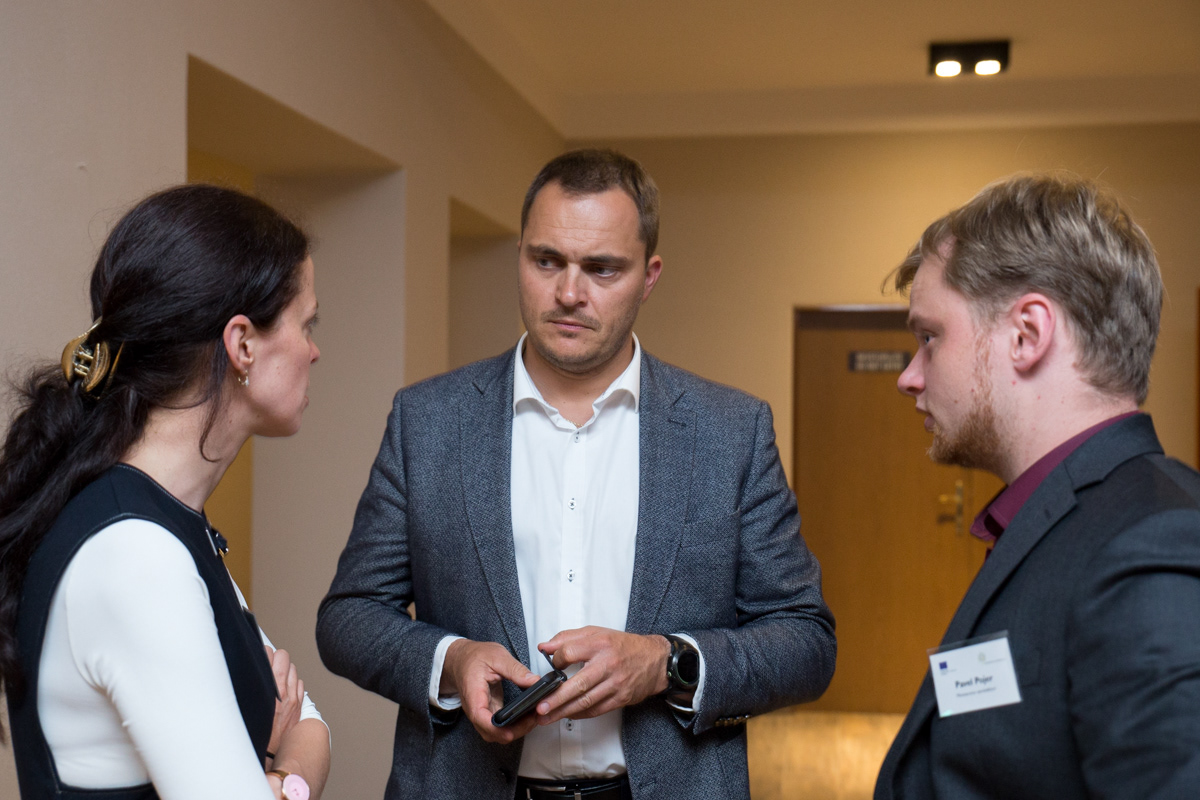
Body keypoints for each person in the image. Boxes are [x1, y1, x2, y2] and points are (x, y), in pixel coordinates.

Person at [316, 148, 835, 800]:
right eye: (546, 261)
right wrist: (450, 660)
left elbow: (805, 640)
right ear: (520, 258)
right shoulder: (428, 421)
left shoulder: (729, 432)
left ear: (648, 277)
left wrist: (665, 662)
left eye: (601, 268)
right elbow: (350, 617)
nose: (568, 293)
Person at [0, 185, 331, 800]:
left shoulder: (171, 523)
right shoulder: (136, 555)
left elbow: (309, 720)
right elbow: (291, 730)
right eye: (306, 324)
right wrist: (281, 764)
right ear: (242, 344)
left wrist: (278, 772)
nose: (315, 351)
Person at [875, 173, 1200, 799]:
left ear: (1027, 334)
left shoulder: (1155, 544)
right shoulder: (1062, 520)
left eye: (929, 338)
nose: (909, 376)